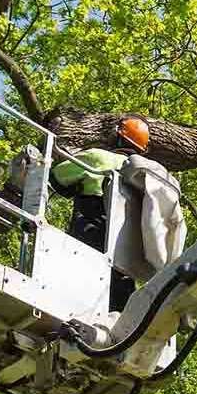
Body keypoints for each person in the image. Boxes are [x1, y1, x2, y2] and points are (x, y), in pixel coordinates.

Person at [51, 116, 150, 307]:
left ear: (116, 136)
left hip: (89, 240)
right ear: (143, 149)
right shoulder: (145, 179)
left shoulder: (98, 157)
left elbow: (57, 178)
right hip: (126, 260)